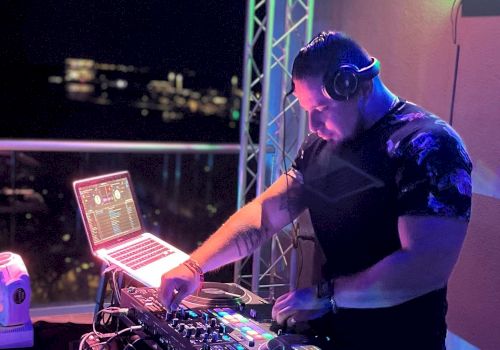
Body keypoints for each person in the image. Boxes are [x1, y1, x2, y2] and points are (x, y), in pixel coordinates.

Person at [159, 31, 472, 349]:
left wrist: (326, 295)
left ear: (355, 85)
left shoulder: (429, 145)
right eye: (306, 109)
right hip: (331, 335)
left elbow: (424, 266)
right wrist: (194, 265)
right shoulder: (321, 145)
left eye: (321, 108)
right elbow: (263, 218)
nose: (312, 125)